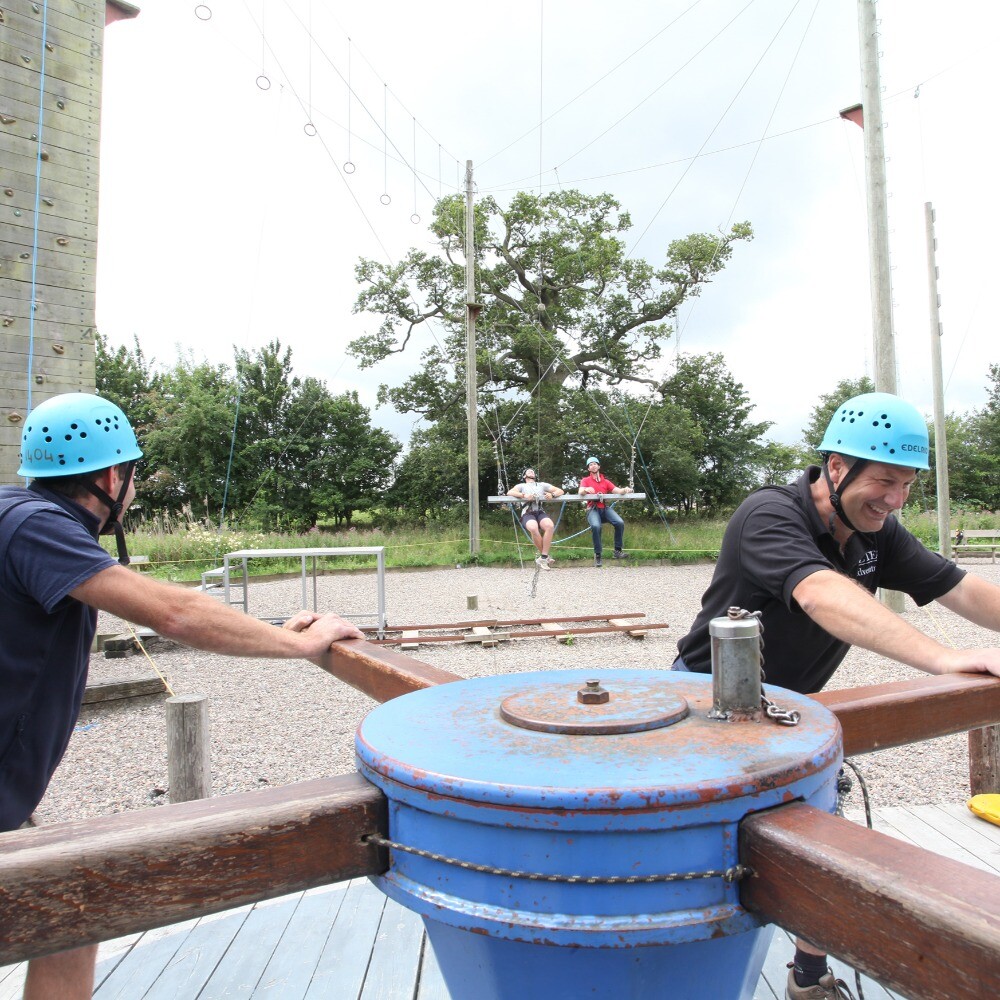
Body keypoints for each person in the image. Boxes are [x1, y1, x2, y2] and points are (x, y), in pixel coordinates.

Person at [0, 392, 365, 1000]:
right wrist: (297, 645)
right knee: (71, 905)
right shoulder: (39, 529)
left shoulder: (18, 513)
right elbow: (174, 613)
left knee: (72, 910)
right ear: (114, 477)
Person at [673, 391, 1000, 1000]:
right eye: (884, 481)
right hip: (700, 713)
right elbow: (822, 594)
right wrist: (945, 658)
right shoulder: (770, 513)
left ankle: (808, 978)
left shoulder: (877, 530)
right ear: (836, 465)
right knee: (700, 857)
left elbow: (959, 587)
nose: (896, 500)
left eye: (907, 485)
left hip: (791, 714)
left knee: (820, 836)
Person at [507, 468, 565, 570]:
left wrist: (552, 494)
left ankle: (543, 557)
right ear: (524, 476)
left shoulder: (542, 485)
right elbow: (510, 492)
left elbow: (560, 491)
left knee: (549, 526)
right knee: (533, 528)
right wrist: (524, 495)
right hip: (528, 513)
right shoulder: (522, 486)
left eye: (532, 471)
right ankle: (545, 557)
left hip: (539, 511)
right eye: (528, 471)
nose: (531, 471)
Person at [578, 456, 628, 567]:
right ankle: (598, 555)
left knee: (619, 522)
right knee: (596, 526)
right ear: (588, 469)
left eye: (595, 463)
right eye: (591, 464)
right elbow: (580, 491)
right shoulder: (585, 480)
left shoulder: (605, 481)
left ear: (599, 466)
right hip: (593, 509)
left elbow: (618, 491)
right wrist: (586, 490)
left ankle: (617, 551)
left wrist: (625, 490)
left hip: (604, 508)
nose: (593, 465)